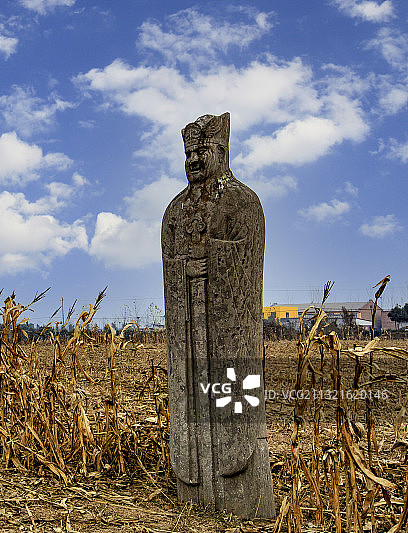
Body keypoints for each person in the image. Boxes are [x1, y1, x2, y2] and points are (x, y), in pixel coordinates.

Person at [161, 112, 275, 518]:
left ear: (221, 151)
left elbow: (248, 255)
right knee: (191, 389)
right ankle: (197, 492)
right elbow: (169, 260)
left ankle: (242, 499)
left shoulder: (240, 200)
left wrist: (213, 256)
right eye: (189, 152)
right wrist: (183, 268)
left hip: (226, 333)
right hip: (189, 326)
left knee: (233, 393)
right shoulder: (175, 211)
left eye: (201, 151)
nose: (193, 159)